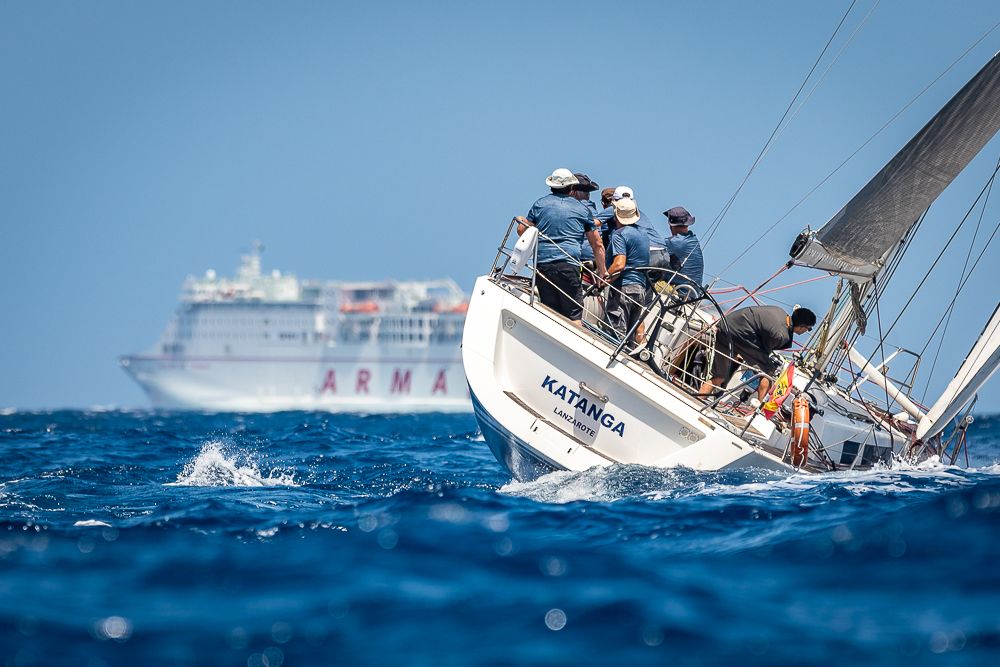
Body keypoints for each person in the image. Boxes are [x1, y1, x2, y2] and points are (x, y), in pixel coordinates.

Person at [515, 168, 606, 326]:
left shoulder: (540, 204)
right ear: (572, 188)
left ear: (551, 186)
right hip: (568, 266)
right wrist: (603, 272)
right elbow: (597, 244)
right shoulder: (582, 210)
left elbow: (524, 231)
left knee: (551, 313)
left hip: (543, 266)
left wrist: (521, 220)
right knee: (574, 316)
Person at [698, 305, 817, 403]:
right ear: (802, 327)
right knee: (768, 371)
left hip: (725, 326)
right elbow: (764, 352)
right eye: (808, 329)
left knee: (719, 376)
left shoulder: (779, 311)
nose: (807, 331)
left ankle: (698, 399)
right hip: (739, 336)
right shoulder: (781, 334)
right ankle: (759, 410)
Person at [604, 198, 651, 343]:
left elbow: (619, 264)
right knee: (629, 339)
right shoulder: (643, 234)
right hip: (640, 290)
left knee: (615, 335)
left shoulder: (619, 234)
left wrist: (604, 279)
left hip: (623, 288)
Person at [596, 186, 669, 273]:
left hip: (648, 252)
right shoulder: (637, 212)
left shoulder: (617, 208)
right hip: (663, 252)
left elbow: (592, 224)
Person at [662, 206, 704, 287]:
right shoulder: (693, 239)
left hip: (682, 293)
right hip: (695, 292)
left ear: (671, 225)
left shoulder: (675, 242)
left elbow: (653, 246)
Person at [571, 173, 602, 264]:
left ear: (574, 192)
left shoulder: (576, 209)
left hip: (580, 256)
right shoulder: (592, 208)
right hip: (596, 256)